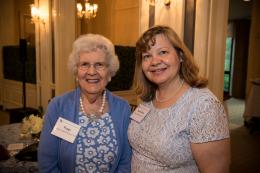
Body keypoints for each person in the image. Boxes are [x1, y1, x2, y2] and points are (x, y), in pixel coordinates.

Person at [128, 25, 230, 173]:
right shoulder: (148, 99)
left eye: (162, 52)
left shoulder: (204, 106)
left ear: (180, 56)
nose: (154, 61)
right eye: (147, 56)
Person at [38, 34, 132, 173]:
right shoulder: (58, 106)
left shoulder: (122, 108)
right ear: (76, 72)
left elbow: (125, 161)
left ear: (109, 72)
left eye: (99, 65)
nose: (92, 72)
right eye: (84, 64)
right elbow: (47, 162)